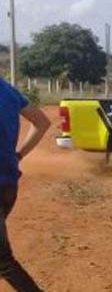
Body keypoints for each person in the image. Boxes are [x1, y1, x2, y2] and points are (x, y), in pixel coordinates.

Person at [0, 77, 50, 291]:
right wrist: (18, 156)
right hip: (9, 184)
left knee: (4, 262)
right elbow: (42, 122)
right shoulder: (8, 91)